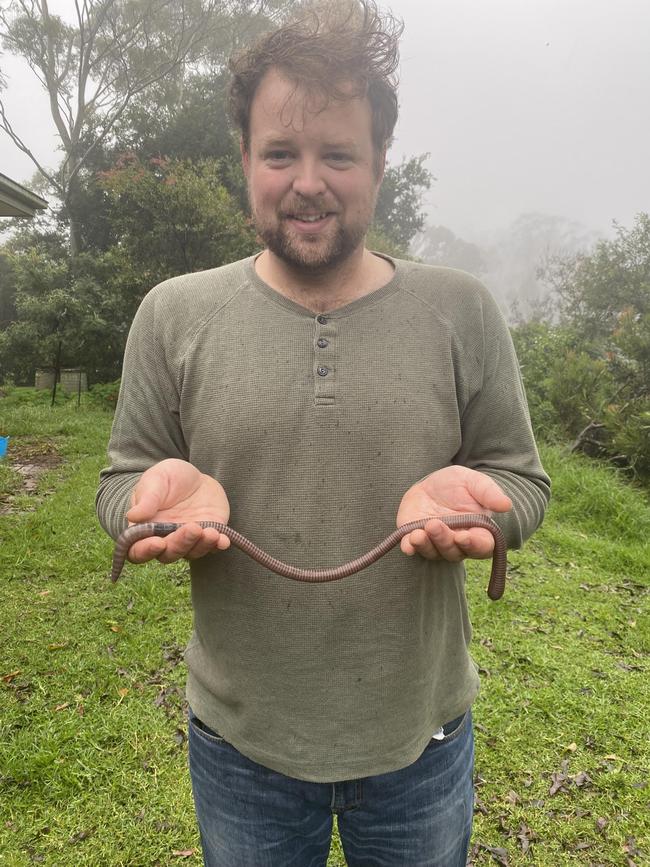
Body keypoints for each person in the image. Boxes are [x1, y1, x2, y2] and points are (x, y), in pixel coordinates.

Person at [96, 1, 550, 864]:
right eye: (280, 153)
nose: (308, 181)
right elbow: (120, 479)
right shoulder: (172, 314)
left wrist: (485, 512)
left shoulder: (462, 309)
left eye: (338, 153)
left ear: (381, 162)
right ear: (244, 161)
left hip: (421, 741)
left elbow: (522, 479)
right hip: (241, 747)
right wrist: (150, 506)